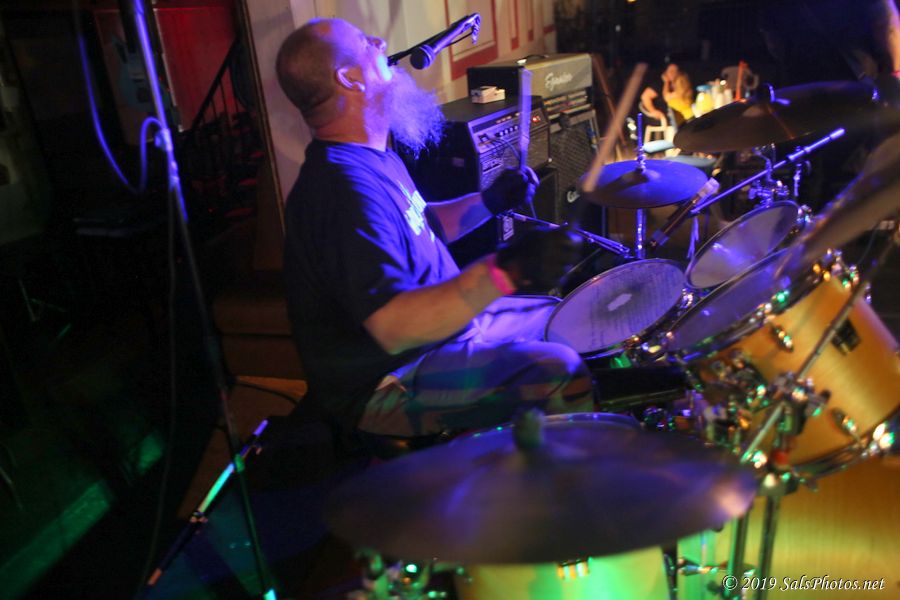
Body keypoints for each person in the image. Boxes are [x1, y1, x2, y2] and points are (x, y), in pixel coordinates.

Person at [275, 18, 594, 438]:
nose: (380, 42)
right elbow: (394, 328)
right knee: (559, 370)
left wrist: (489, 201)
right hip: (391, 381)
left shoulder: (371, 156)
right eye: (365, 43)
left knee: (573, 318)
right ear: (349, 78)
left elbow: (421, 224)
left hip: (441, 337)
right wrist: (509, 270)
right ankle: (565, 474)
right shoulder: (341, 188)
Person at [640, 63, 695, 127]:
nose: (673, 73)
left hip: (684, 118)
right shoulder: (659, 85)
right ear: (665, 73)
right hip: (665, 119)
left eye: (675, 71)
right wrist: (653, 111)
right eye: (671, 71)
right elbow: (645, 96)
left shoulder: (681, 85)